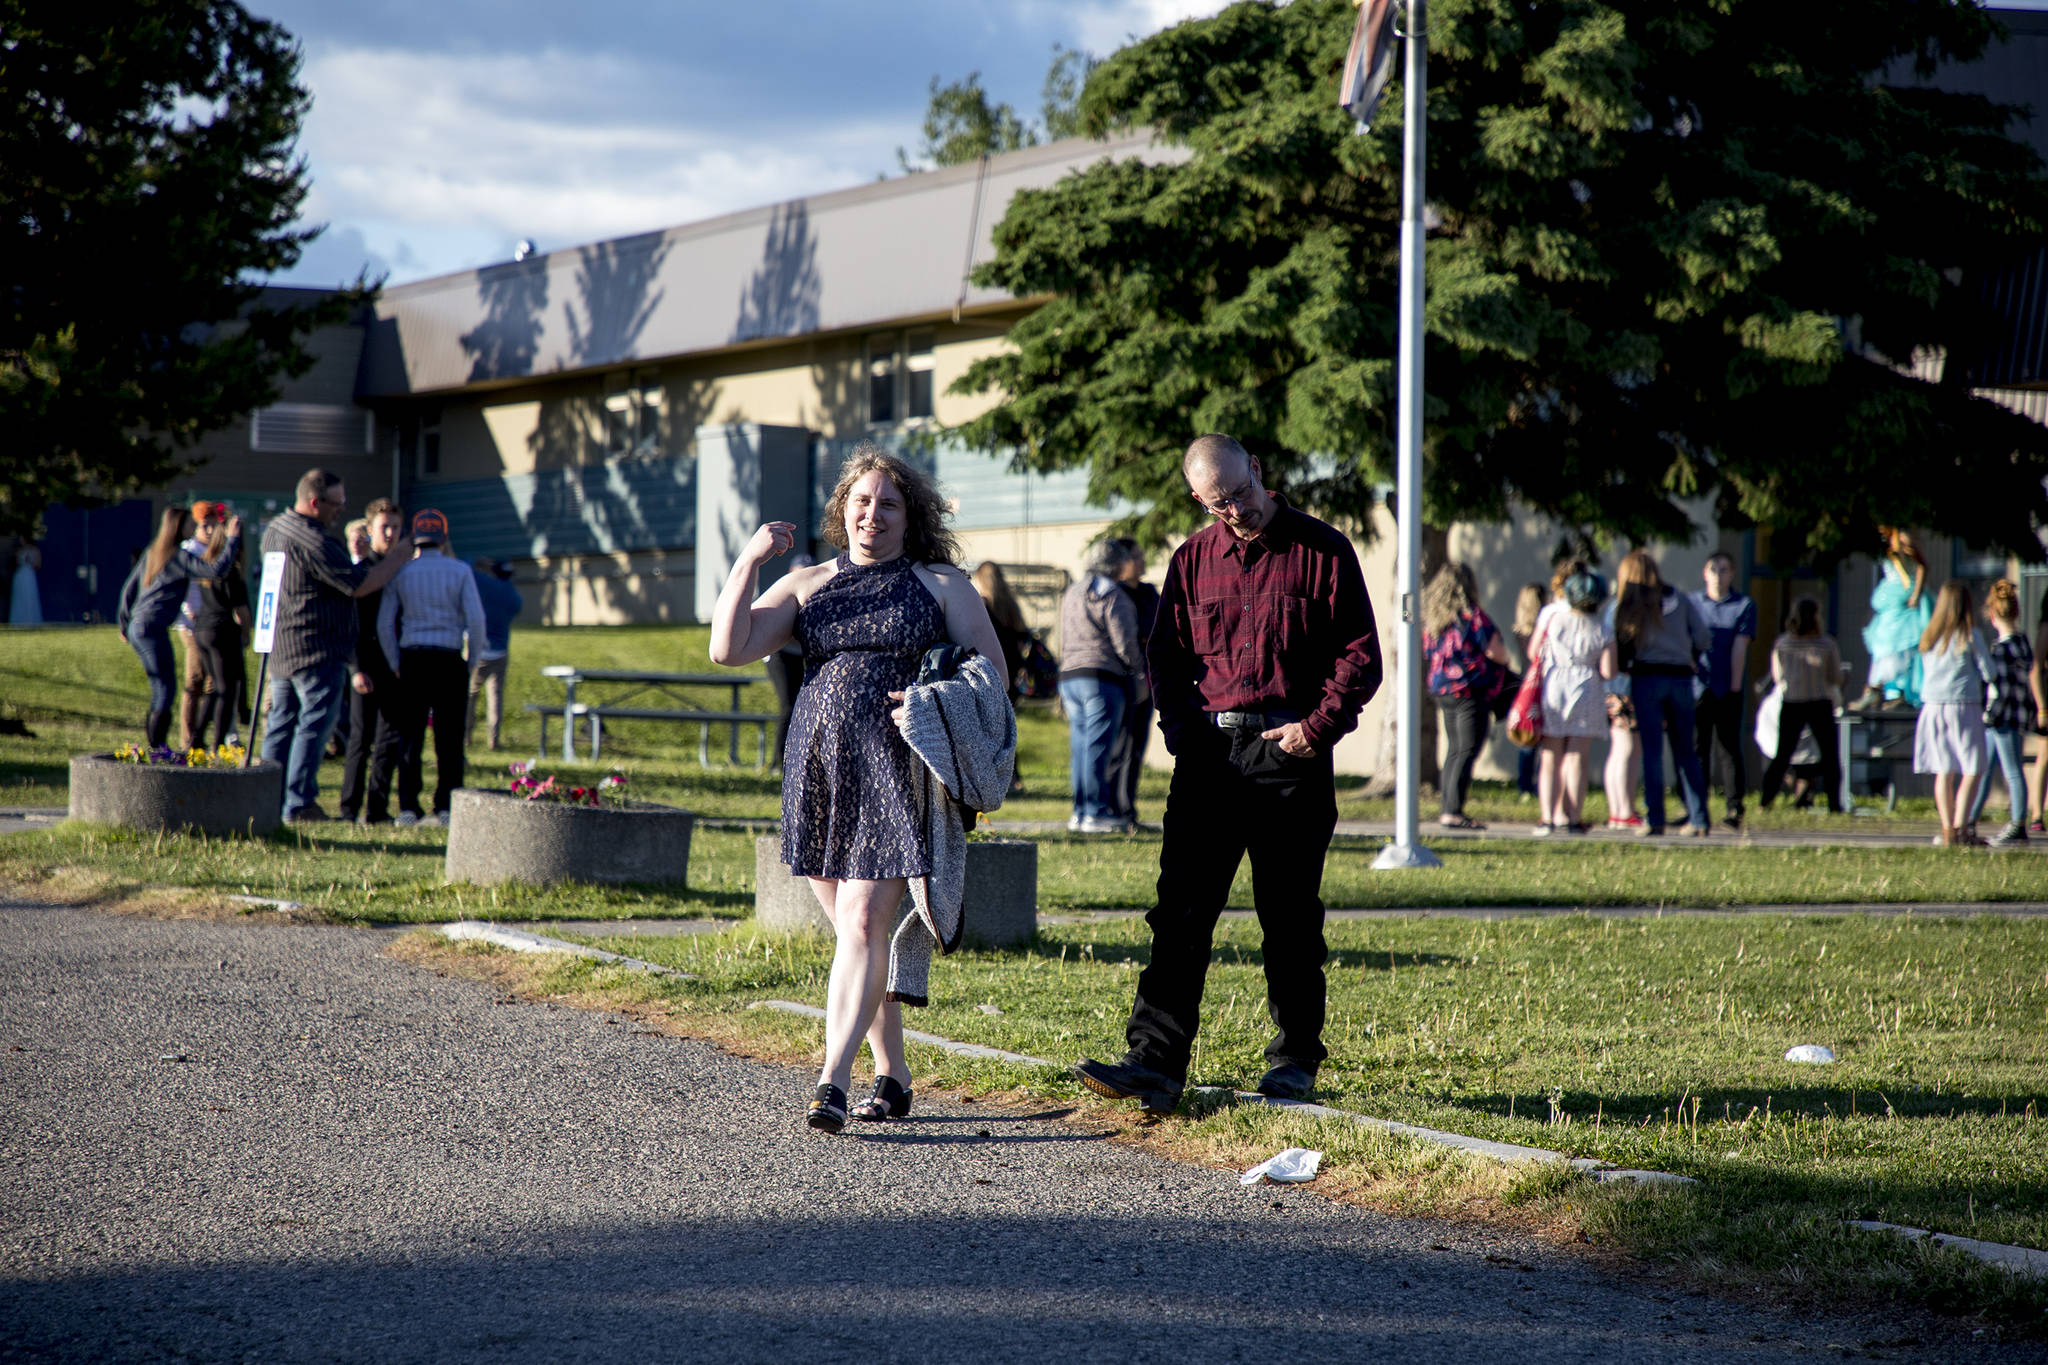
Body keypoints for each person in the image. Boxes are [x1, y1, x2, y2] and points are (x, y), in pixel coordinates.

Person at [1074, 434, 1381, 1115]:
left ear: (1260, 473)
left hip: (1290, 755)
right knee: (1179, 913)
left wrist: (1314, 728)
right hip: (1210, 757)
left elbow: (1360, 655)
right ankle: (1154, 1062)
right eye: (1219, 504)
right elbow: (1164, 654)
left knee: (1290, 915)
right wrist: (1182, 733)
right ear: (1198, 499)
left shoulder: (1322, 549)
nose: (1235, 511)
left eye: (1241, 495)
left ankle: (1295, 1058)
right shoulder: (1191, 559)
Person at [710, 443, 1005, 1133]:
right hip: (821, 770)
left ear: (912, 516)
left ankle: (831, 1079)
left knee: (867, 923)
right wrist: (749, 561)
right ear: (844, 509)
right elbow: (729, 646)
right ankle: (895, 1072)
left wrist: (934, 699)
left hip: (899, 766)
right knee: (855, 933)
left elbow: (992, 680)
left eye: (889, 503)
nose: (873, 513)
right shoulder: (809, 581)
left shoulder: (941, 585)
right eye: (862, 501)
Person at [259, 469, 412, 823]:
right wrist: (398, 557)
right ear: (315, 502)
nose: (342, 510)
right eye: (337, 503)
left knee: (281, 726)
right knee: (313, 726)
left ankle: (267, 797)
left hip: (281, 648)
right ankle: (298, 803)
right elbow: (360, 584)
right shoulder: (314, 541)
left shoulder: (275, 529)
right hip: (315, 649)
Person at [377, 510, 486, 826]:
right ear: (445, 537)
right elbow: (476, 621)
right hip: (450, 657)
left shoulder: (402, 573)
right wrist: (471, 660)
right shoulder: (460, 571)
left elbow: (386, 623)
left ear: (415, 537)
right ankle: (447, 805)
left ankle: (408, 806)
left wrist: (394, 660)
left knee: (410, 736)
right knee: (449, 737)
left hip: (413, 657)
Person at [115, 508, 243, 748]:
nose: (192, 528)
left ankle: (157, 746)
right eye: (188, 524)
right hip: (152, 628)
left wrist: (123, 623)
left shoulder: (155, 552)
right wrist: (233, 539)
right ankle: (159, 748)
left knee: (159, 689)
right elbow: (216, 570)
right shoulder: (179, 556)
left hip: (138, 626)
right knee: (165, 690)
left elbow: (129, 589)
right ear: (178, 527)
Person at [1611, 549, 1712, 836]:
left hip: (1647, 677)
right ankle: (1700, 818)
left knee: (1652, 753)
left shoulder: (1632, 604)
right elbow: (1704, 638)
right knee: (1686, 752)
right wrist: (1686, 652)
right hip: (1681, 679)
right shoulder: (1681, 599)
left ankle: (1655, 818)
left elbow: (1620, 642)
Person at [1058, 539, 1145, 834]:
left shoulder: (1073, 591)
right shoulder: (1111, 593)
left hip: (1070, 677)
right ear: (1116, 564)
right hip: (1101, 677)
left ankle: (1080, 810)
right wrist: (1138, 669)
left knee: (1080, 747)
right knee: (1098, 748)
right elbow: (1125, 642)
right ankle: (1095, 812)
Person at [1422, 561, 1511, 830]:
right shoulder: (1473, 617)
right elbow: (1497, 652)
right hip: (1470, 691)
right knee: (1467, 749)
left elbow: (1428, 653)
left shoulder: (1435, 620)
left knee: (1455, 749)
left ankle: (1448, 807)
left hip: (1443, 691)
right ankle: (1453, 810)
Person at [337, 501, 408, 825]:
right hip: (366, 662)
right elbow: (352, 625)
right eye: (384, 527)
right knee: (360, 739)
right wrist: (355, 668)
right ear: (370, 529)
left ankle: (376, 810)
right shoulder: (365, 569)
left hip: (394, 663)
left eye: (396, 526)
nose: (391, 533)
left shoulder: (403, 567)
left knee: (390, 737)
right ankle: (348, 809)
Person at [1529, 567, 1614, 834]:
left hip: (1555, 683)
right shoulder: (1603, 628)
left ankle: (1547, 817)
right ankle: (1573, 817)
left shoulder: (1553, 619)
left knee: (1550, 754)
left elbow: (1534, 651)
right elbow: (1609, 670)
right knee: (1577, 754)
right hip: (1587, 686)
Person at [1914, 580, 1993, 847]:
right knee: (1974, 767)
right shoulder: (1970, 635)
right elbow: (1989, 672)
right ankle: (1961, 827)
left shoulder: (1929, 637)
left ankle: (1948, 831)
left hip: (1932, 707)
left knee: (1943, 770)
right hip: (1963, 706)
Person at [1758, 598, 1844, 815]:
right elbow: (1834, 677)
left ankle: (1765, 802)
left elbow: (1778, 677)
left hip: (1792, 702)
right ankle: (1834, 804)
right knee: (1830, 756)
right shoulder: (1826, 644)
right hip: (1819, 702)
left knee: (1782, 756)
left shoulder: (1783, 644)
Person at [1691, 550, 1756, 830]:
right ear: (1705, 573)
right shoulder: (1693, 604)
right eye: (1714, 569)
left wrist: (1734, 686)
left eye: (1724, 569)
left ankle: (1734, 807)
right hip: (1697, 686)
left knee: (1728, 749)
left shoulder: (1742, 605)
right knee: (1697, 749)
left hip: (1726, 685)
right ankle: (1697, 807)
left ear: (1732, 574)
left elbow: (1740, 647)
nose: (1719, 575)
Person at [1967, 579, 2032, 846]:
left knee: (2010, 771)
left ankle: (2017, 823)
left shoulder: (2000, 649)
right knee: (1986, 768)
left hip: (2000, 718)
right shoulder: (2023, 644)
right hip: (2017, 716)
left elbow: (1999, 689)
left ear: (1992, 615)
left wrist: (1989, 715)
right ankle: (1969, 818)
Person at [187, 517, 251, 749]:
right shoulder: (230, 571)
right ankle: (217, 746)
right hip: (222, 631)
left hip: (202, 629)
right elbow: (241, 609)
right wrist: (246, 633)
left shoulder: (207, 567)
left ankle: (196, 739)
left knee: (214, 688)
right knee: (227, 690)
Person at [1110, 537, 1162, 821]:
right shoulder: (1113, 593)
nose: (1142, 562)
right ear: (1121, 562)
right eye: (1136, 557)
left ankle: (1127, 807)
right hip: (1119, 681)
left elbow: (1158, 629)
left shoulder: (1148, 592)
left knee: (1136, 746)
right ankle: (1112, 807)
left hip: (1145, 681)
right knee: (1118, 747)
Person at [1855, 527, 1931, 710]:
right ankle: (1878, 688)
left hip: (1903, 599)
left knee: (1900, 646)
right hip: (1891, 603)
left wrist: (1916, 594)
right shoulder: (1882, 543)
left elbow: (1922, 566)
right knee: (1884, 646)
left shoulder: (1902, 538)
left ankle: (1898, 691)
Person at [174, 502, 224, 749]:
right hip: (191, 624)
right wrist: (188, 610)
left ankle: (204, 735)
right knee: (195, 679)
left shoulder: (215, 550)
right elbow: (182, 586)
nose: (209, 529)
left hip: (210, 622)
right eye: (205, 524)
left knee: (212, 681)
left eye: (213, 524)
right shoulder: (189, 550)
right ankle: (188, 739)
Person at [467, 558, 524, 751]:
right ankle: (494, 740)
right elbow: (517, 609)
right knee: (496, 698)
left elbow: (466, 564)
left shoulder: (485, 583)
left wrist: (481, 563)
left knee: (470, 696)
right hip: (500, 652)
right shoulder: (512, 595)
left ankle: (466, 737)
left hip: (480, 651)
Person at [972, 560, 1030, 700]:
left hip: (989, 668)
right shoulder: (1011, 604)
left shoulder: (981, 606)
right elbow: (1023, 634)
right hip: (1012, 668)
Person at [1510, 582, 1547, 802]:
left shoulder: (1519, 630)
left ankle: (1525, 784)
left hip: (1524, 687)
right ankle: (1536, 783)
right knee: (1542, 738)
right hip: (1539, 685)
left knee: (1527, 737)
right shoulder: (1540, 632)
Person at [8, 541, 41, 624]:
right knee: (20, 597)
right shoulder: (19, 550)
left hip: (29, 575)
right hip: (21, 576)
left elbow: (38, 564)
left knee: (29, 596)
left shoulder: (34, 550)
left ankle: (30, 619)